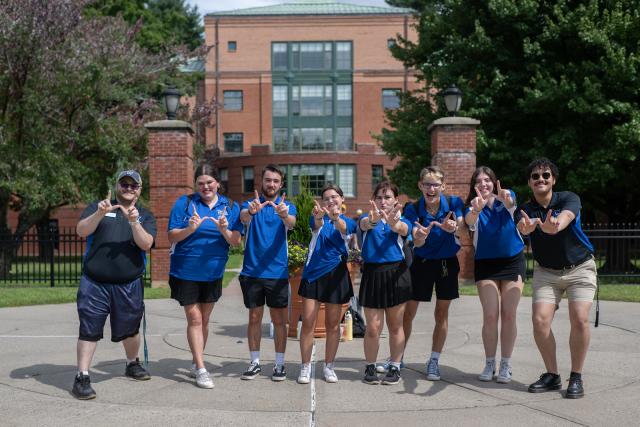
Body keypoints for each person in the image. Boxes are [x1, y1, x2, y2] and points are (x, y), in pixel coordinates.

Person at [516, 158, 597, 399]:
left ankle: (576, 376)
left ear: (554, 180)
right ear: (530, 183)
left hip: (579, 268)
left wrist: (554, 226)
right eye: (535, 176)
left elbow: (564, 220)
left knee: (580, 319)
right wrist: (525, 229)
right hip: (547, 272)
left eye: (546, 175)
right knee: (540, 322)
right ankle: (552, 375)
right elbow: (521, 226)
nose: (541, 179)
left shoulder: (568, 198)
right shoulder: (526, 209)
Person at [72, 170, 156, 400]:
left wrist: (134, 221)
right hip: (94, 283)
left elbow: (146, 243)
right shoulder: (99, 208)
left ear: (139, 190)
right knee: (89, 329)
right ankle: (82, 376)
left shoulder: (145, 215)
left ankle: (132, 363)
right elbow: (81, 231)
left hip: (128, 284)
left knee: (130, 329)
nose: (129, 188)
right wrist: (99, 214)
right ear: (117, 186)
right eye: (124, 184)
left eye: (133, 185)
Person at [167, 164, 243, 389]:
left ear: (217, 183)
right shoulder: (185, 203)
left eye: (209, 182)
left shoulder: (230, 206)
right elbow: (171, 235)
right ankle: (201, 368)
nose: (205, 187)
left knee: (205, 320)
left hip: (213, 271)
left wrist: (223, 229)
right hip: (185, 270)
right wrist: (190, 228)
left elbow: (236, 240)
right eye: (200, 183)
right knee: (195, 319)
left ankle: (194, 360)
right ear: (196, 185)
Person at [398, 166, 464, 381]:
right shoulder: (413, 208)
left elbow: (463, 225)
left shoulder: (454, 204)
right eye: (427, 184)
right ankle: (398, 358)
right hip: (421, 263)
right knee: (408, 313)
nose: (431, 188)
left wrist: (454, 227)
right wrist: (420, 237)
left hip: (446, 263)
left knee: (441, 314)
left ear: (443, 186)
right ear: (420, 186)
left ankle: (434, 360)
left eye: (436, 184)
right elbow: (413, 236)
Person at [464, 166, 525, 384]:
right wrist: (477, 210)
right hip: (486, 264)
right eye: (479, 181)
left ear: (494, 182)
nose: (484, 184)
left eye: (487, 180)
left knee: (509, 314)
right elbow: (470, 222)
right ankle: (490, 362)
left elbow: (511, 205)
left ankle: (505, 364)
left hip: (512, 261)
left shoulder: (507, 196)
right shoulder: (473, 205)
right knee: (490, 315)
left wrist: (506, 199)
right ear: (474, 186)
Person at [238, 164, 297, 382]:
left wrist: (284, 215)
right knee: (254, 318)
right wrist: (251, 211)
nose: (271, 184)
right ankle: (254, 363)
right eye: (267, 180)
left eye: (275, 181)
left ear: (281, 185)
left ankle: (279, 364)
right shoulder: (251, 204)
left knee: (279, 320)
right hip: (252, 272)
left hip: (277, 272)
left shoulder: (286, 206)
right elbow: (244, 216)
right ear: (261, 183)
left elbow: (292, 222)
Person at [297, 184, 357, 385]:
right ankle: (305, 366)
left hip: (336, 275)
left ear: (342, 200)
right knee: (308, 323)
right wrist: (318, 217)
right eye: (326, 198)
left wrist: (335, 217)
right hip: (313, 275)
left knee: (333, 325)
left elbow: (343, 229)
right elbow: (315, 225)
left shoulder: (347, 221)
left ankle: (329, 366)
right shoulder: (317, 219)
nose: (330, 201)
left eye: (334, 197)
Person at [359, 181, 412, 385]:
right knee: (372, 327)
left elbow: (403, 228)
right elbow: (365, 225)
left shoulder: (402, 220)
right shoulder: (366, 218)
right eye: (379, 197)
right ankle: (370, 366)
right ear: (374, 199)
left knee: (395, 326)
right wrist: (372, 221)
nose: (383, 201)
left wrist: (393, 223)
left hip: (396, 274)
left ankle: (395, 367)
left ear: (395, 200)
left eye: (388, 197)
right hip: (372, 274)